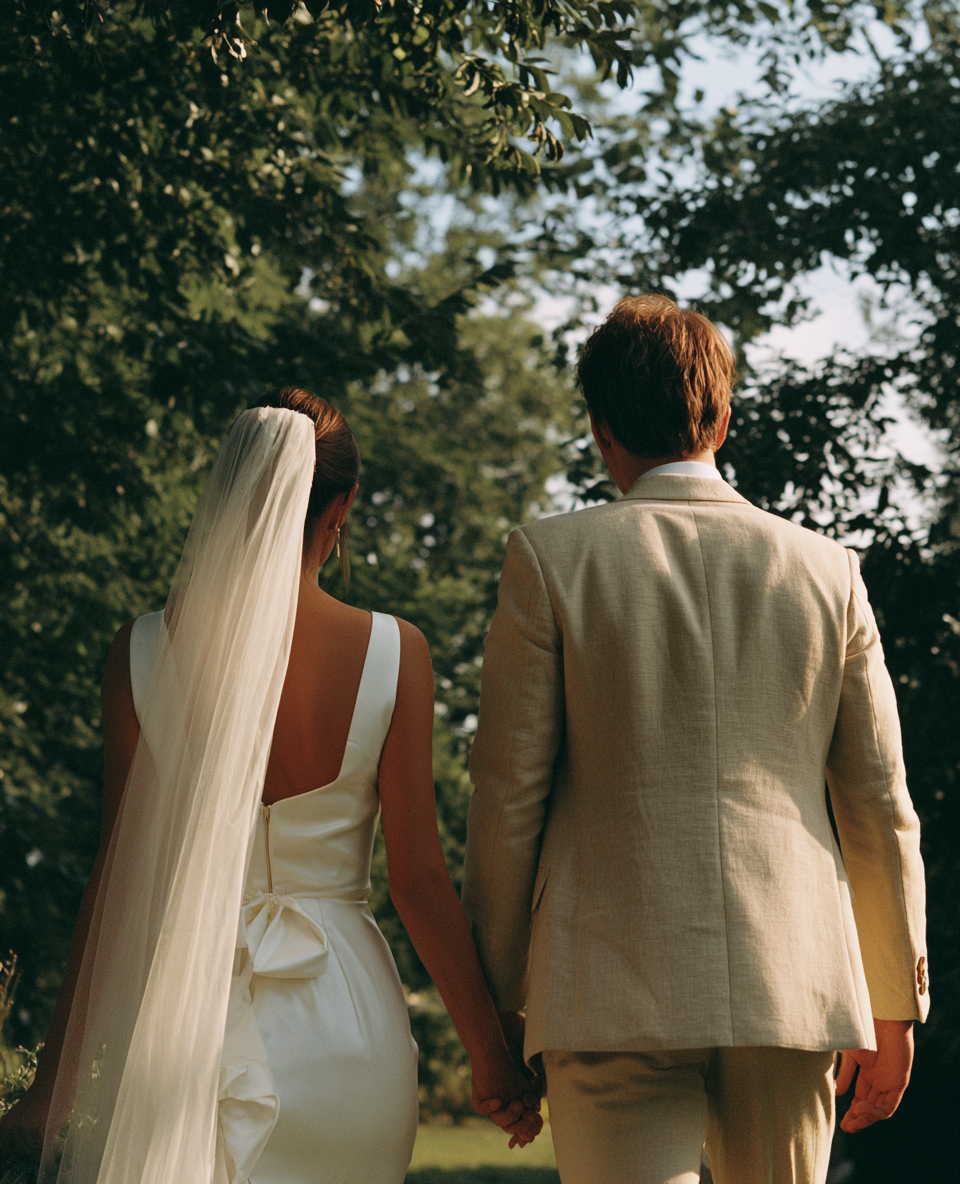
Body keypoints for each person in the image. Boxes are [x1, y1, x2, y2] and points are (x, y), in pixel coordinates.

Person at [0, 389, 540, 1183]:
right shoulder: (396, 651)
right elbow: (420, 883)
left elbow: (117, 879)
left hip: (188, 1021)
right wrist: (491, 1057)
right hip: (349, 1027)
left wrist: (51, 1089)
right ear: (343, 504)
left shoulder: (140, 652)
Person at [461, 295, 929, 1184]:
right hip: (788, 977)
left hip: (604, 981)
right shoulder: (828, 573)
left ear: (601, 430)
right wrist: (894, 1005)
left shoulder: (551, 559)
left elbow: (507, 800)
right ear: (722, 414)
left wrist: (504, 1004)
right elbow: (878, 804)